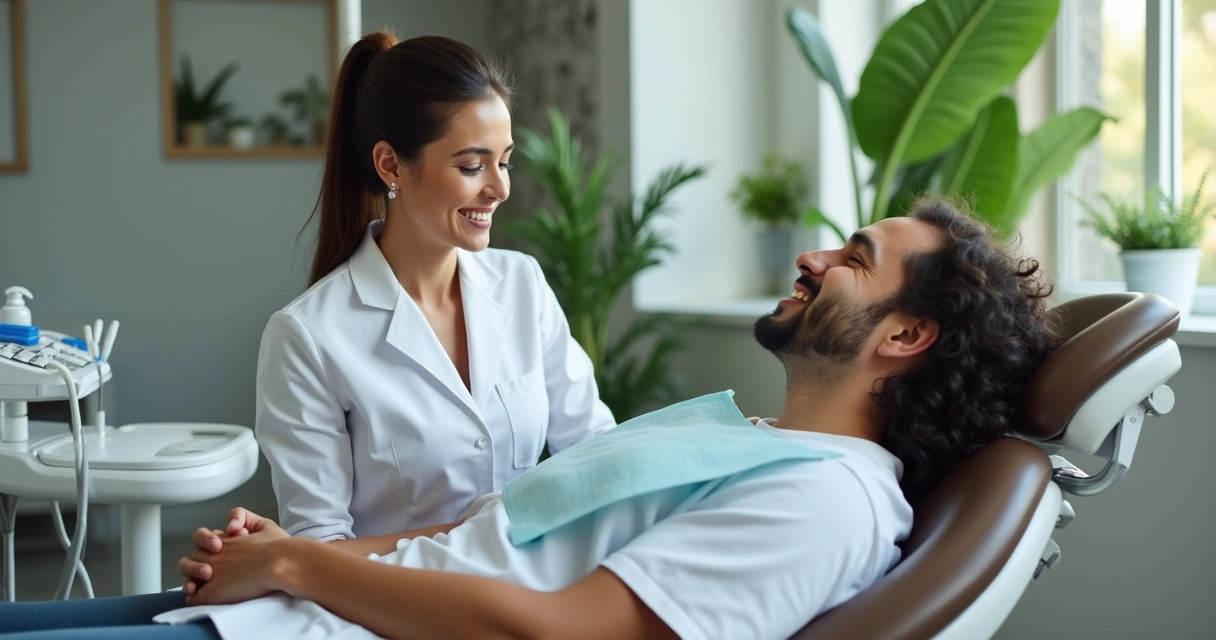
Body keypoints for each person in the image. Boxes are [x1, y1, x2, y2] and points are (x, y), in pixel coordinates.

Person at [0, 198, 1062, 640]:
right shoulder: (754, 441)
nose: (813, 255)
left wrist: (296, 567)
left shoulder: (824, 503)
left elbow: (558, 632)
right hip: (308, 610)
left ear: (905, 334)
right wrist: (284, 552)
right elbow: (498, 528)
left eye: (854, 259)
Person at [255, 31, 615, 553]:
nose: (500, 188)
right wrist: (494, 530)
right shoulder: (306, 336)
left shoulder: (522, 284)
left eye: (504, 161)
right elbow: (319, 550)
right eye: (472, 166)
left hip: (531, 584)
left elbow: (597, 450)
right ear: (391, 165)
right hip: (394, 597)